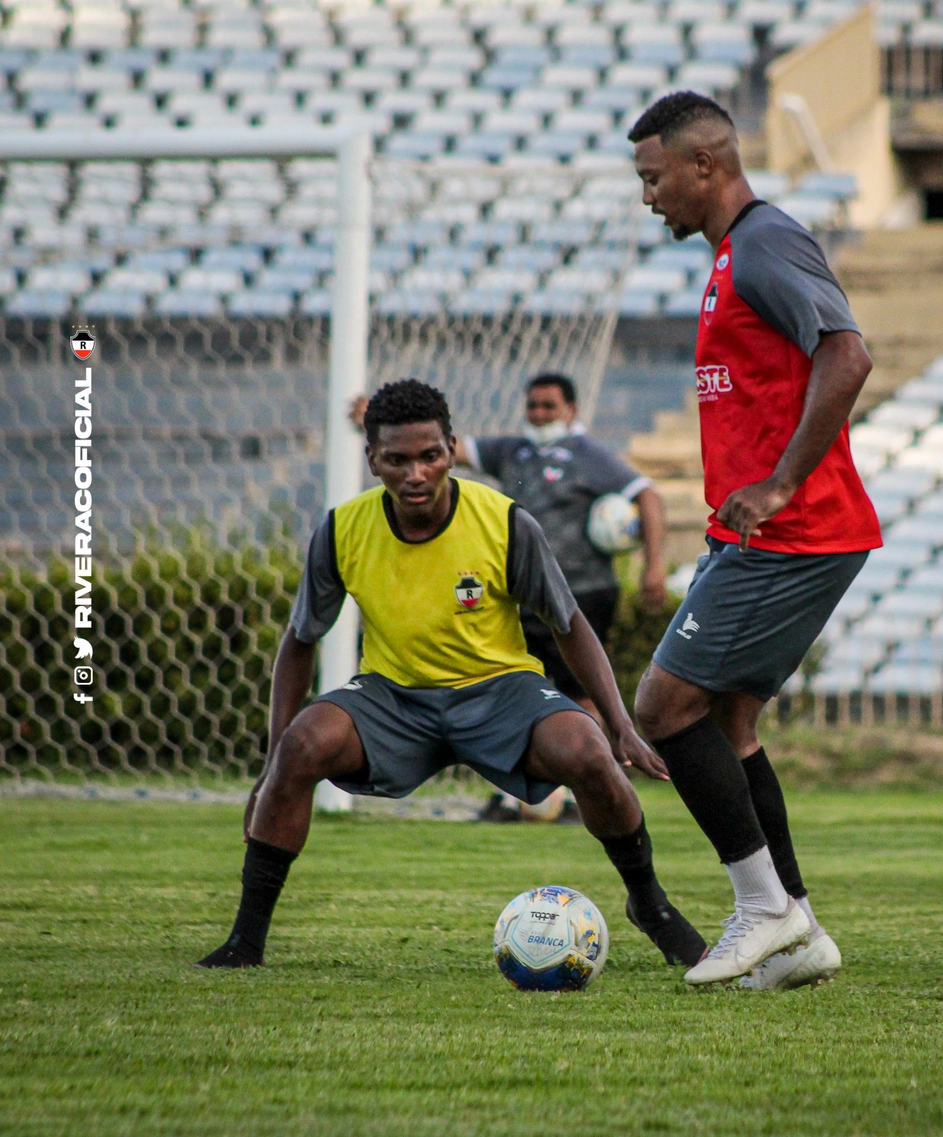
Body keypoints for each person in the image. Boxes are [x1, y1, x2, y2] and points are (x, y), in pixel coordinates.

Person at [196, 379, 707, 972]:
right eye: (397, 459)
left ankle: (651, 905)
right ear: (373, 461)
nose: (415, 473)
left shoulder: (505, 522)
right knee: (304, 743)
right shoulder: (341, 530)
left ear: (451, 449)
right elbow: (301, 640)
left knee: (589, 752)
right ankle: (245, 941)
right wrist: (272, 763)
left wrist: (618, 725)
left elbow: (569, 625)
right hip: (393, 699)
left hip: (502, 691)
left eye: (429, 456)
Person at [626, 92, 882, 987]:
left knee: (659, 711)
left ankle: (762, 908)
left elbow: (847, 355)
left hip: (796, 532)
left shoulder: (767, 242)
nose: (648, 196)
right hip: (767, 536)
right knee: (730, 724)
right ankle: (800, 931)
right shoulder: (731, 255)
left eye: (654, 178)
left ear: (705, 166)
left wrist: (777, 486)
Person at [459, 373, 668, 823]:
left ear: (570, 411)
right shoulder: (512, 451)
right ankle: (509, 794)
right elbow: (449, 448)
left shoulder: (587, 456)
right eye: (533, 406)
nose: (539, 415)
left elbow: (647, 496)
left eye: (549, 407)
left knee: (581, 692)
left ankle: (581, 795)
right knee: (509, 689)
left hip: (582, 591)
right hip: (519, 594)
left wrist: (653, 567)